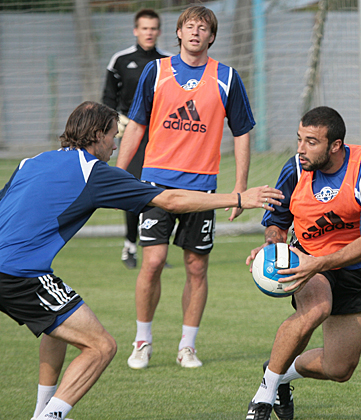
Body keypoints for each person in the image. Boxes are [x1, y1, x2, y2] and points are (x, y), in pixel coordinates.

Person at [0, 101, 282, 420]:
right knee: (101, 347)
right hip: (19, 274)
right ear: (97, 135)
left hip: (14, 270)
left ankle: (41, 411)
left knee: (58, 326)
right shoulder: (93, 172)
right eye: (112, 135)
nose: (115, 144)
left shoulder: (30, 162)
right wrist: (240, 198)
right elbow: (170, 199)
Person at [116, 5, 255, 369]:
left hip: (202, 189)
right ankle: (142, 341)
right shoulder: (156, 71)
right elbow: (136, 124)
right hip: (156, 184)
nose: (195, 32)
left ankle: (187, 346)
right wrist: (117, 174)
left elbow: (242, 132)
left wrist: (240, 188)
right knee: (153, 262)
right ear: (178, 33)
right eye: (189, 26)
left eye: (203, 28)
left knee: (196, 267)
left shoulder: (227, 77)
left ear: (212, 36)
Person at [244, 107, 361, 420]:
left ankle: (280, 374)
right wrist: (273, 246)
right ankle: (263, 397)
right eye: (299, 139)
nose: (301, 148)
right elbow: (277, 222)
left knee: (340, 369)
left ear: (335, 145)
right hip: (306, 257)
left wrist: (319, 263)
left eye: (311, 142)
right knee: (317, 308)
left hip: (355, 269)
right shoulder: (295, 170)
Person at [102, 8, 171, 269]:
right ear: (136, 30)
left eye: (153, 28)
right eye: (144, 28)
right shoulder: (120, 60)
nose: (149, 33)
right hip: (132, 135)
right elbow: (108, 99)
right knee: (133, 187)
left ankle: (156, 247)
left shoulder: (169, 62)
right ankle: (130, 246)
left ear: (159, 31)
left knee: (159, 189)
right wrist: (115, 123)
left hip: (161, 137)